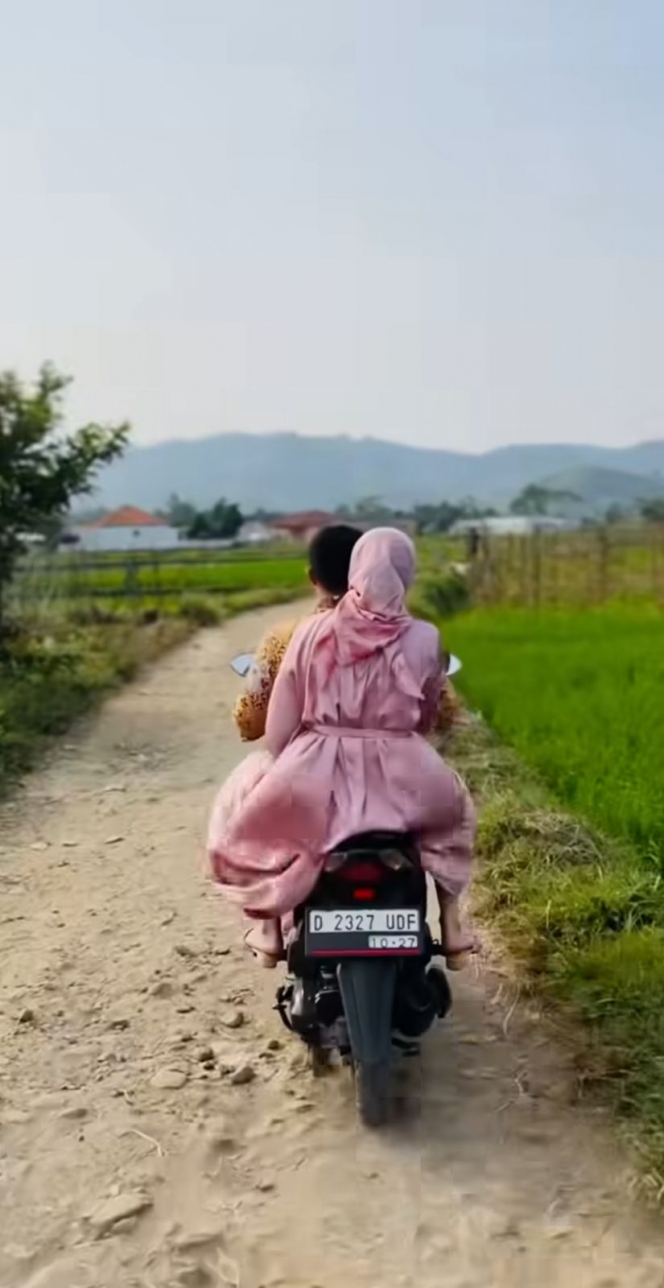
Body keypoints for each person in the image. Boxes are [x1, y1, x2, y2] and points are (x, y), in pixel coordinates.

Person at [209, 527, 475, 970]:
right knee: (456, 813)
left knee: (255, 811)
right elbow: (433, 711)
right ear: (405, 575)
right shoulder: (425, 637)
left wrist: (299, 753)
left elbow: (272, 726)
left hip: (316, 772)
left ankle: (270, 926)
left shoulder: (302, 633)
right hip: (406, 773)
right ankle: (452, 924)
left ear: (315, 576)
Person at [233, 524, 361, 742]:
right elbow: (438, 714)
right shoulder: (405, 636)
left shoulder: (283, 639)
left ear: (312, 577)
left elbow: (250, 722)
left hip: (304, 766)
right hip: (387, 765)